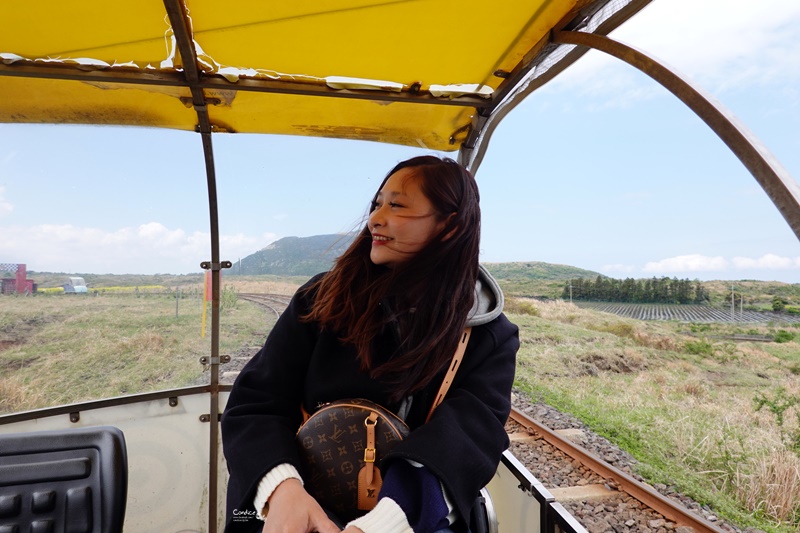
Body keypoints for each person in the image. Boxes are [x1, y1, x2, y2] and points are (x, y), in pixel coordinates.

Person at [221, 156, 519, 533]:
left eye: (396, 205)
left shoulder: (487, 335)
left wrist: (380, 524)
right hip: (293, 498)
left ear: (450, 225)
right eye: (377, 204)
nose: (376, 218)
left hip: (409, 516)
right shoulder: (322, 299)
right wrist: (282, 489)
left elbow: (467, 438)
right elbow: (256, 402)